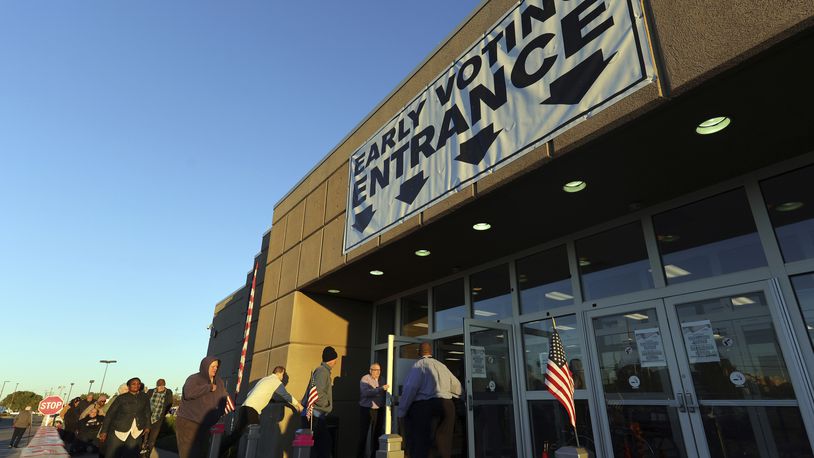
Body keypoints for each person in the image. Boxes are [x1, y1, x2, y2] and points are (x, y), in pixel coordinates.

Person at [220, 366, 303, 456]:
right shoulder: (275, 381)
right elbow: (286, 395)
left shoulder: (264, 380)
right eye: (283, 375)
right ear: (281, 373)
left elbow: (250, 393)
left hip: (244, 407)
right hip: (251, 410)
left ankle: (219, 450)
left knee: (236, 435)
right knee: (255, 434)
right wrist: (298, 405)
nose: (283, 378)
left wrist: (268, 399)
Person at [398, 342, 462, 458]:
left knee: (422, 443)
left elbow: (410, 389)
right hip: (447, 405)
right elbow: (457, 386)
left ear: (419, 352)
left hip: (425, 406)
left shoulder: (419, 365)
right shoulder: (442, 366)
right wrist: (449, 394)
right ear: (431, 352)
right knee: (444, 442)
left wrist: (401, 411)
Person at [175, 356, 227, 458]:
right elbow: (188, 393)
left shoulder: (219, 382)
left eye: (216, 366)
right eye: (212, 366)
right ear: (205, 366)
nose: (215, 368)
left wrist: (219, 413)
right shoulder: (194, 379)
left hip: (205, 425)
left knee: (202, 454)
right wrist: (209, 387)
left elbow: (223, 399)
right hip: (188, 422)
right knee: (188, 454)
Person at [99, 377, 152, 458]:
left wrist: (148, 426)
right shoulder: (121, 398)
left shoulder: (145, 397)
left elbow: (147, 413)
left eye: (138, 384)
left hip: (136, 430)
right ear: (128, 386)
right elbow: (109, 414)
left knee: (131, 454)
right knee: (112, 454)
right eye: (133, 384)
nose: (136, 385)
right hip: (118, 429)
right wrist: (104, 431)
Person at [301, 346, 338, 458]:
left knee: (312, 448)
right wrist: (326, 405)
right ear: (332, 359)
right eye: (336, 359)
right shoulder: (322, 372)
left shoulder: (322, 371)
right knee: (323, 446)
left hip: (313, 416)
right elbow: (317, 393)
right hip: (314, 416)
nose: (336, 362)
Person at [357, 363, 388, 458]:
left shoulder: (382, 379)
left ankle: (374, 456)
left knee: (377, 434)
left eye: (379, 370)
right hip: (366, 409)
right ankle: (360, 455)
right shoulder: (365, 379)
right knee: (363, 434)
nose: (378, 372)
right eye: (375, 370)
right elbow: (366, 393)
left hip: (379, 410)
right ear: (370, 370)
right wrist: (380, 389)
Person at [143, 379, 174, 455]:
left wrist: (163, 414)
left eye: (162, 386)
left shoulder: (168, 392)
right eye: (158, 386)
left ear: (164, 385)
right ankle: (141, 450)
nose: (160, 387)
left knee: (153, 438)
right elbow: (145, 402)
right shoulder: (151, 391)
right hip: (148, 417)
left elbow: (169, 403)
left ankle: (148, 453)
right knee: (144, 436)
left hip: (158, 418)